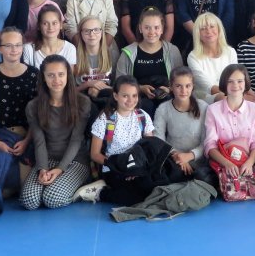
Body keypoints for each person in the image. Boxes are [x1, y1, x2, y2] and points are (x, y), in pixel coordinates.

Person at [19, 56, 93, 210]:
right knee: (29, 200)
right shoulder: (33, 106)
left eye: (61, 74)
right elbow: (39, 141)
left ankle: (83, 188)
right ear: (43, 78)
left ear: (68, 76)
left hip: (75, 160)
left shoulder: (82, 102)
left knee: (52, 198)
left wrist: (60, 169)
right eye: (51, 75)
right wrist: (42, 169)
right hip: (48, 159)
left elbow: (76, 140)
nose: (56, 80)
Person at [77, 75, 156, 205]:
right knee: (134, 198)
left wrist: (136, 168)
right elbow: (95, 154)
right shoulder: (105, 119)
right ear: (115, 96)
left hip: (137, 164)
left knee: (151, 189)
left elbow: (150, 146)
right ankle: (100, 193)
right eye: (125, 96)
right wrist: (120, 167)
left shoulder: (142, 116)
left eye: (134, 95)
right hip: (113, 167)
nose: (130, 100)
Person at [0, 26, 39, 194]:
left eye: (18, 45)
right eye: (9, 45)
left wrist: (27, 140)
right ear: (0, 49)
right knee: (2, 159)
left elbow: (38, 115)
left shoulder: (34, 75)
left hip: (26, 135)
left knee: (25, 190)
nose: (14, 50)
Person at [204, 64, 255, 179]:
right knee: (202, 174)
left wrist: (249, 163)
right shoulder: (212, 109)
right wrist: (227, 164)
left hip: (249, 159)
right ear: (224, 84)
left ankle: (241, 178)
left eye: (240, 81)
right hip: (223, 160)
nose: (235, 85)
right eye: (230, 81)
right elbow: (210, 145)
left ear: (246, 83)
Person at [115, 6, 183, 115]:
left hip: (166, 98)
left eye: (156, 27)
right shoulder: (128, 53)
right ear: (140, 28)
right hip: (137, 100)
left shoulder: (172, 51)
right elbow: (119, 83)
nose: (152, 32)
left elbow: (181, 80)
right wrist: (139, 88)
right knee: (146, 105)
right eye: (147, 28)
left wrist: (169, 89)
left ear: (162, 29)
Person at [153, 66, 212, 181]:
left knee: (203, 177)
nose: (183, 91)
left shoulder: (203, 107)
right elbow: (158, 138)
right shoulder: (163, 108)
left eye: (187, 86)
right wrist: (177, 156)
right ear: (171, 87)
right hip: (174, 160)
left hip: (198, 161)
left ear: (193, 86)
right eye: (178, 86)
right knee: (170, 176)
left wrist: (189, 156)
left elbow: (206, 141)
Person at [187, 12, 237, 103]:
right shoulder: (193, 57)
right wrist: (236, 96)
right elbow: (209, 88)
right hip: (204, 98)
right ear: (198, 33)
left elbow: (236, 79)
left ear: (219, 29)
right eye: (203, 28)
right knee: (223, 98)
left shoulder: (231, 52)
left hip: (230, 94)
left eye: (212, 26)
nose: (208, 31)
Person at [73, 15, 120, 112]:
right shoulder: (74, 55)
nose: (92, 34)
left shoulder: (112, 54)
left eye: (96, 30)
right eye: (87, 31)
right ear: (80, 34)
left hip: (107, 96)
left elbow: (118, 88)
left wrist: (99, 88)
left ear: (102, 32)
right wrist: (89, 84)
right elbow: (70, 91)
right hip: (82, 98)